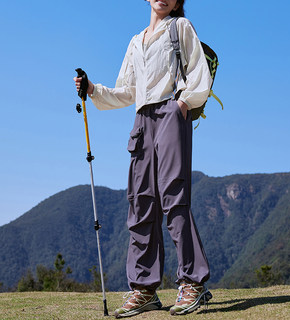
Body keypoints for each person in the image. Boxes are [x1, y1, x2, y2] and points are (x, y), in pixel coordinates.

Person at [74, 0, 212, 317]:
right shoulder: (136, 41)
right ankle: (144, 290)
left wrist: (183, 105)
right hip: (141, 122)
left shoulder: (181, 28)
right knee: (141, 202)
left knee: (174, 196)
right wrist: (93, 89)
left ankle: (193, 282)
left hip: (172, 114)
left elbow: (199, 75)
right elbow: (127, 90)